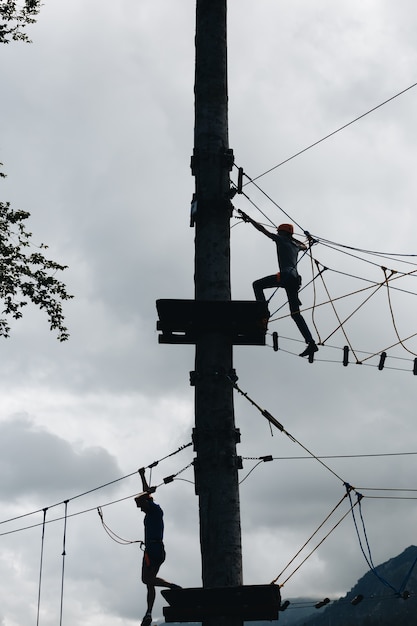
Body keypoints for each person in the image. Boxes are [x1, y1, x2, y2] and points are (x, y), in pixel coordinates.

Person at [238, 209, 318, 359]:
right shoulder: (295, 245)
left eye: (280, 232)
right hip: (294, 280)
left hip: (285, 275)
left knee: (257, 285)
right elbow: (305, 246)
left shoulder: (281, 240)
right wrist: (307, 238)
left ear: (283, 233)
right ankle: (310, 342)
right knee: (295, 314)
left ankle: (263, 311)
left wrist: (249, 219)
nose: (278, 234)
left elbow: (263, 230)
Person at [135, 468, 180, 626]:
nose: (140, 509)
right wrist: (142, 476)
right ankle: (148, 613)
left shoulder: (155, 511)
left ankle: (172, 586)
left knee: (146, 579)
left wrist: (146, 493)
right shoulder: (151, 510)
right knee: (150, 582)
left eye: (141, 506)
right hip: (153, 549)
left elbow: (142, 498)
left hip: (154, 549)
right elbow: (145, 494)